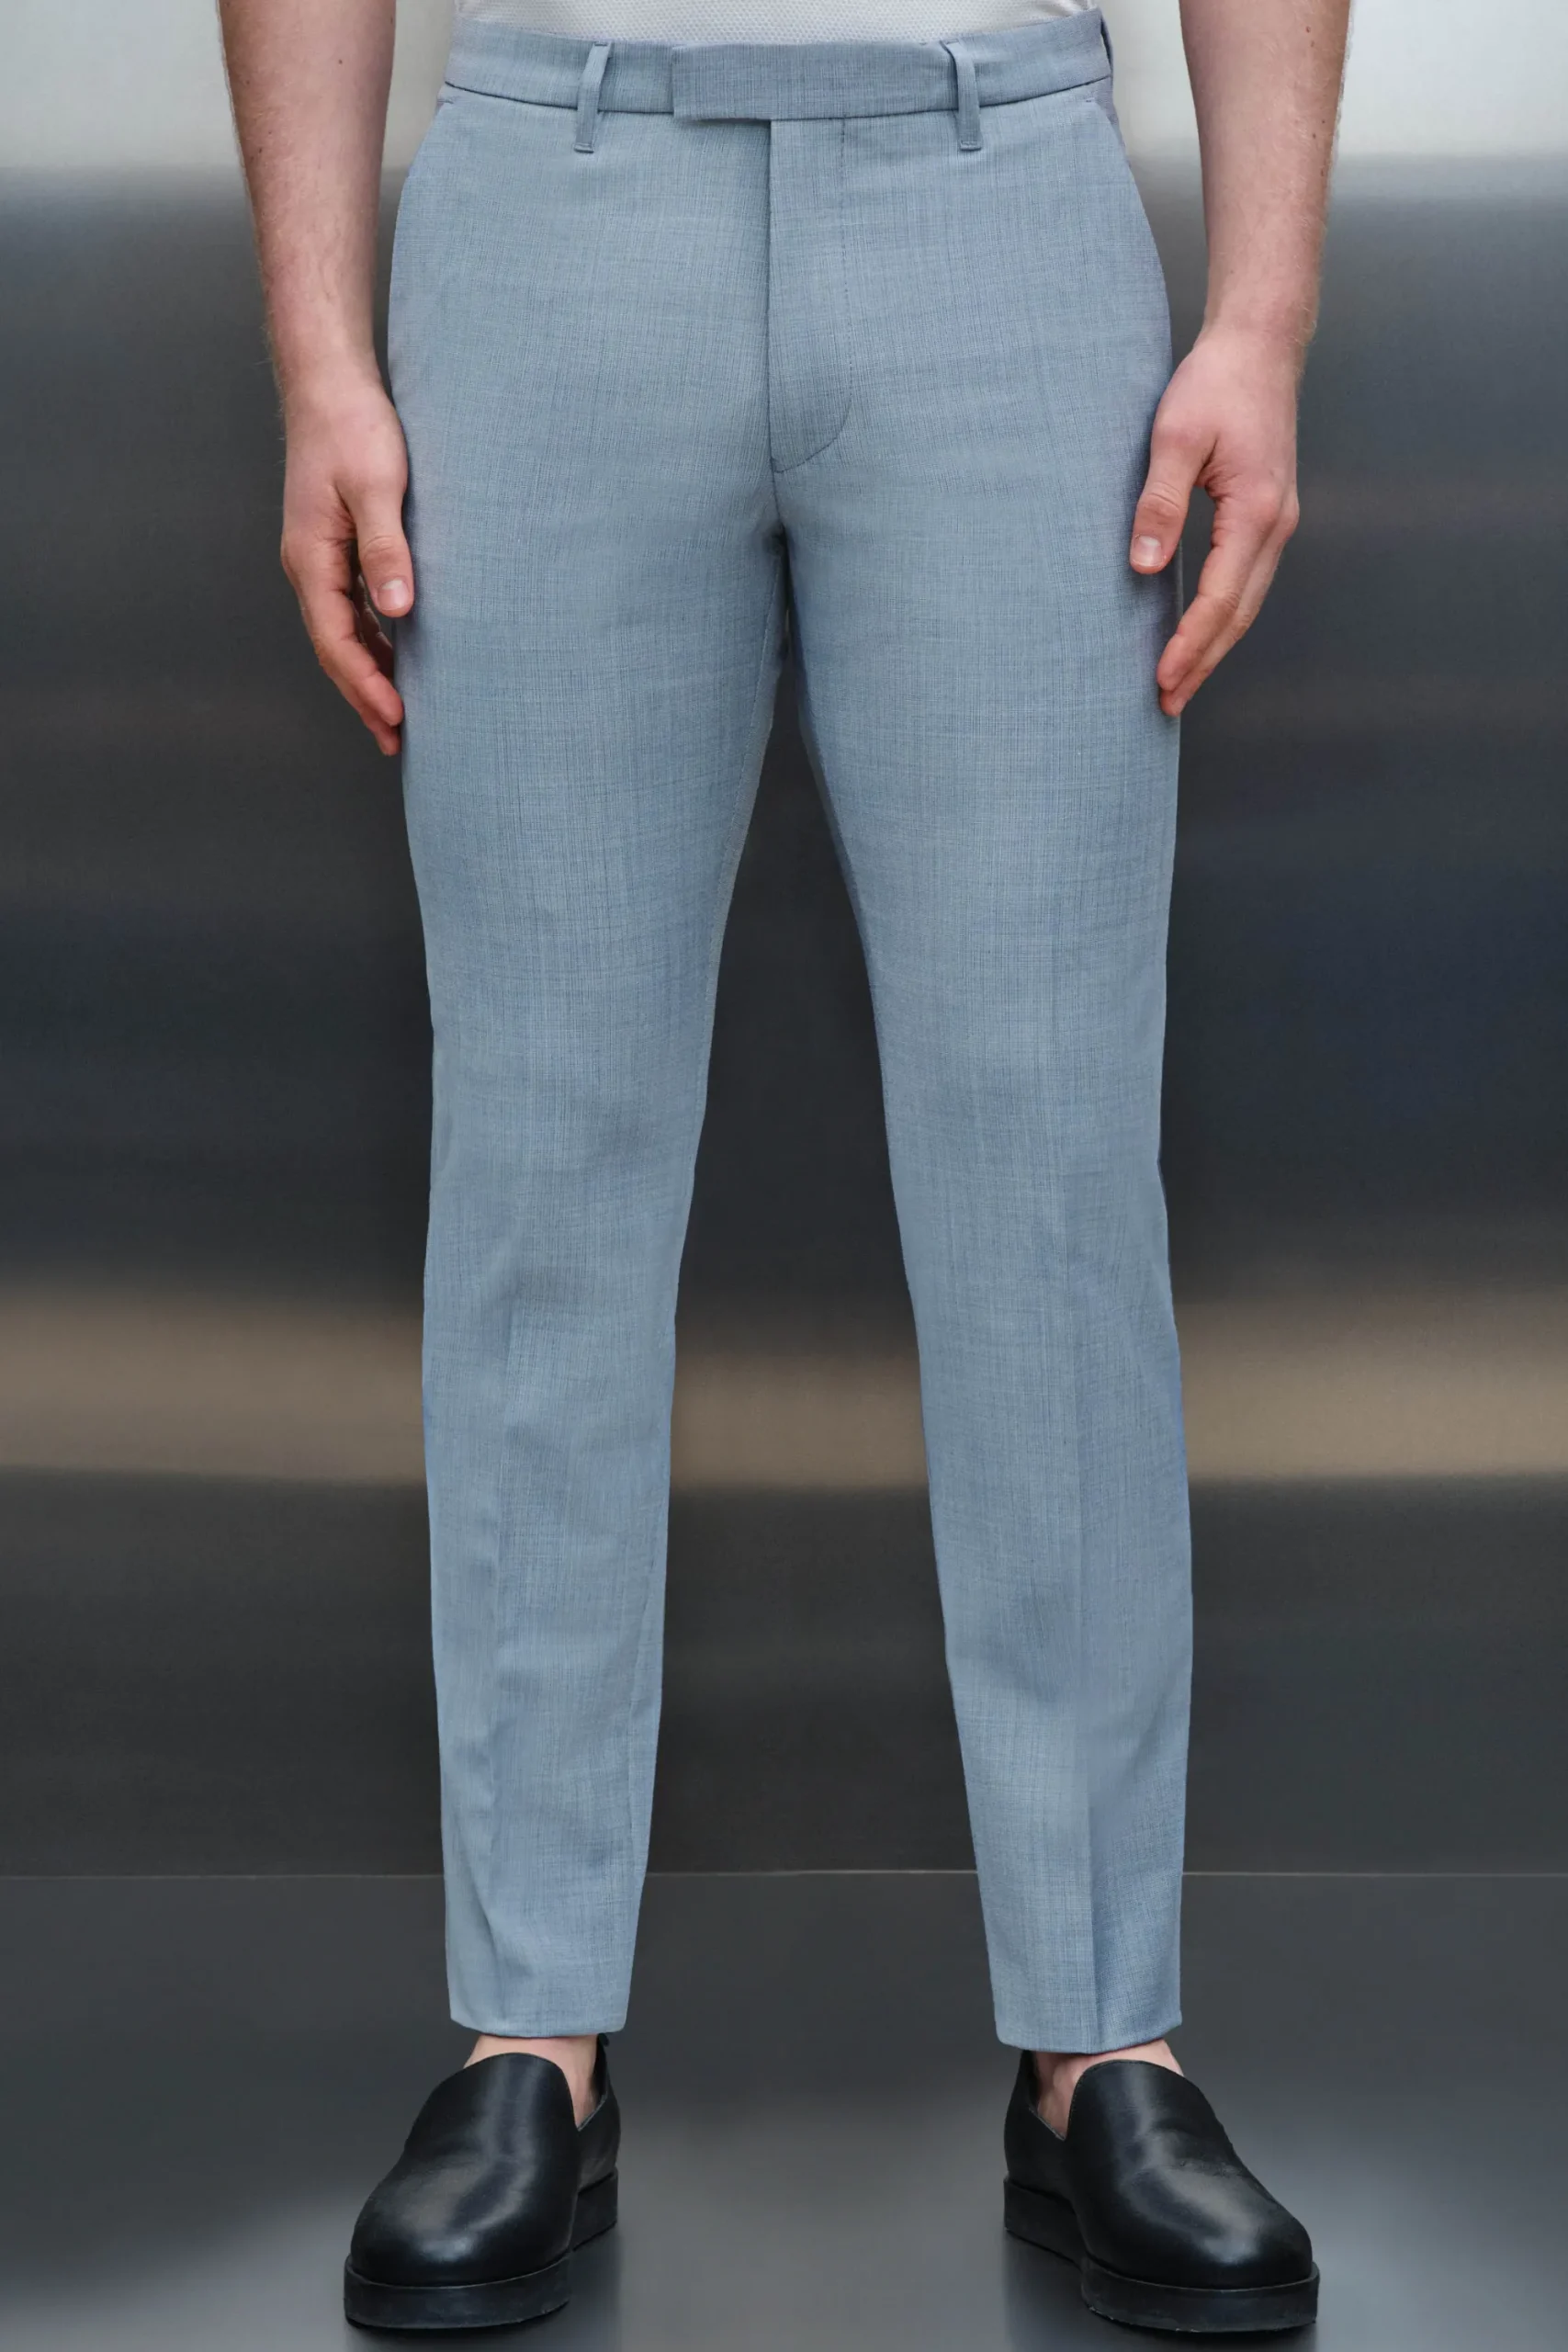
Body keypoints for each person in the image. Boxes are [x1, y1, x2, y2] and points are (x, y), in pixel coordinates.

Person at [220, 0, 1348, 2333]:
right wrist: (319, 353)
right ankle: (527, 2029)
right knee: (538, 1156)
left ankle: (1101, 2040)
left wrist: (1262, 308)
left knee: (1050, 1169)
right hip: (547, 207)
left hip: (997, 198)